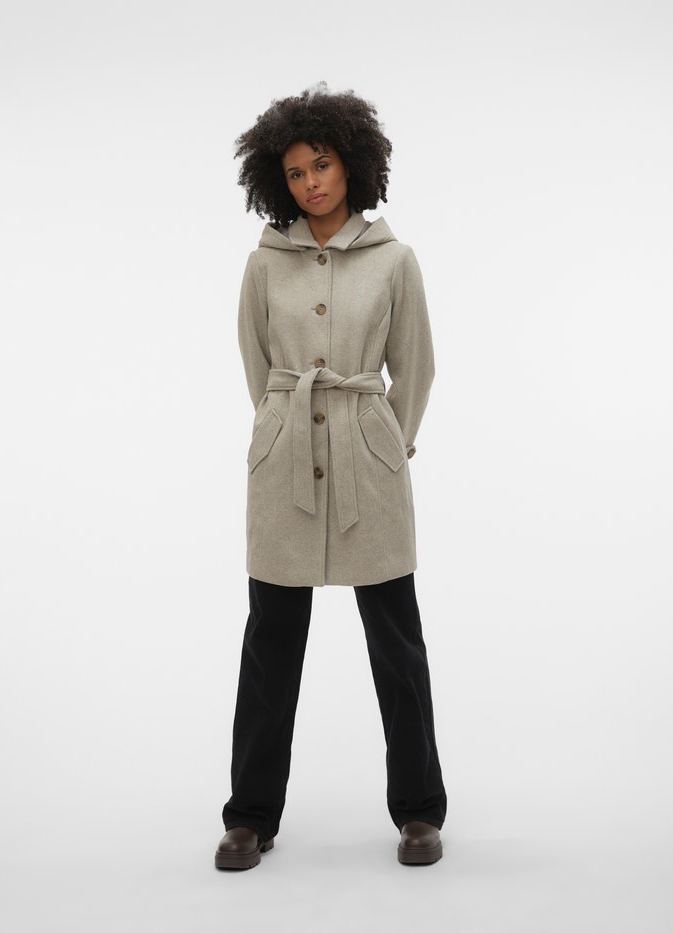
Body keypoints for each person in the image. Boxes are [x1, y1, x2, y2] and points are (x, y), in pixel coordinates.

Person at [215, 83, 447, 870]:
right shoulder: (262, 265)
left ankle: (419, 811)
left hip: (369, 468)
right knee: (269, 646)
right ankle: (250, 816)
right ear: (276, 181)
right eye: (295, 171)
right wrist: (284, 429)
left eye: (322, 164)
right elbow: (259, 370)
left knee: (398, 644)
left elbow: (415, 369)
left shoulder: (395, 261)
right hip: (283, 470)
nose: (311, 181)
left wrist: (383, 443)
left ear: (351, 163)